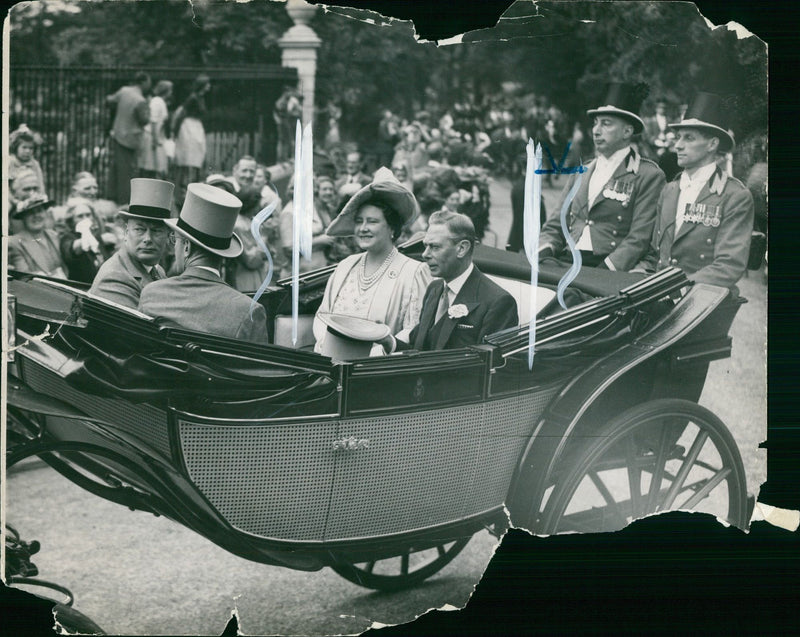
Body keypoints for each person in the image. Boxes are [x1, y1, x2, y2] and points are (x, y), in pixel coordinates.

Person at [538, 82, 665, 271]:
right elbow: (555, 224)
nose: (596, 130)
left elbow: (639, 238)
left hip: (607, 266)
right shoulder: (582, 171)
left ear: (627, 131)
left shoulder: (648, 175)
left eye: (606, 124)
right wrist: (544, 251)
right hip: (567, 260)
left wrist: (605, 270)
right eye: (595, 123)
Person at [635, 92, 754, 290]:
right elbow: (654, 253)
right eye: (679, 137)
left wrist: (674, 287)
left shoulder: (735, 196)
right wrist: (639, 272)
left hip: (700, 299)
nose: (678, 145)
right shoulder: (670, 190)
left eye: (688, 138)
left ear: (712, 144)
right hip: (659, 293)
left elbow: (728, 266)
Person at [314, 168, 431, 355]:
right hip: (331, 359)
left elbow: (413, 329)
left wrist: (377, 353)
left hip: (379, 368)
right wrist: (325, 344)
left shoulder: (414, 272)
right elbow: (323, 314)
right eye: (359, 221)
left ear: (392, 227)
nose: (363, 228)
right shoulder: (346, 265)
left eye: (372, 222)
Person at [138, 183, 268, 344]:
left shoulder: (152, 294)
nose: (174, 247)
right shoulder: (248, 311)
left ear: (186, 247)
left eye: (175, 240)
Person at [381, 211, 518, 353]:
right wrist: (388, 340)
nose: (425, 254)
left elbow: (490, 367)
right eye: (425, 246)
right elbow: (419, 350)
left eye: (435, 247)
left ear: (462, 249)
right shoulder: (434, 289)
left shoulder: (498, 302)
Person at [89, 178, 174, 308]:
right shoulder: (114, 278)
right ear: (126, 233)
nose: (148, 238)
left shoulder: (157, 271)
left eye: (156, 231)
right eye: (139, 229)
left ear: (168, 236)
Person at [106, 72, 152, 204]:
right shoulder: (140, 100)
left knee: (116, 168)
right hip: (131, 139)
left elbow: (109, 100)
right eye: (149, 83)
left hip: (118, 134)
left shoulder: (124, 91)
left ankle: (112, 197)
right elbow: (144, 120)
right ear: (143, 82)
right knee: (127, 173)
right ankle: (125, 202)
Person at [59, 198, 117, 284]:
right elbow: (73, 248)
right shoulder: (67, 237)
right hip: (82, 289)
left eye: (88, 215)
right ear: (71, 220)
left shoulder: (96, 235)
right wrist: (100, 240)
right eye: (80, 216)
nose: (85, 219)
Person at [9, 194, 67, 279]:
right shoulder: (14, 243)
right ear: (23, 218)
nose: (36, 216)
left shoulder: (54, 235)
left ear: (45, 213)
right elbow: (23, 277)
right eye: (30, 213)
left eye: (39, 211)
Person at [174, 75, 211, 204]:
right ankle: (184, 190)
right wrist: (176, 131)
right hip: (189, 127)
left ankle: (191, 187)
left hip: (196, 125)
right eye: (207, 84)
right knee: (189, 158)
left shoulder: (200, 98)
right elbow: (181, 113)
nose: (209, 86)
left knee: (197, 156)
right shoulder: (193, 98)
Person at [138, 80, 173, 178]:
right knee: (150, 167)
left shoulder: (160, 101)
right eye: (170, 90)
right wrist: (155, 140)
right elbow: (153, 121)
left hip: (155, 137)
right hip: (152, 137)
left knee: (155, 167)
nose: (171, 93)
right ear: (165, 91)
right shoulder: (157, 102)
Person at [9, 125, 45, 201]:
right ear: (16, 148)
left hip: (31, 196)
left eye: (31, 148)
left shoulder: (34, 164)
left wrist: (41, 196)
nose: (27, 151)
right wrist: (14, 201)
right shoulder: (10, 162)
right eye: (24, 147)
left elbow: (40, 183)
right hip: (12, 197)